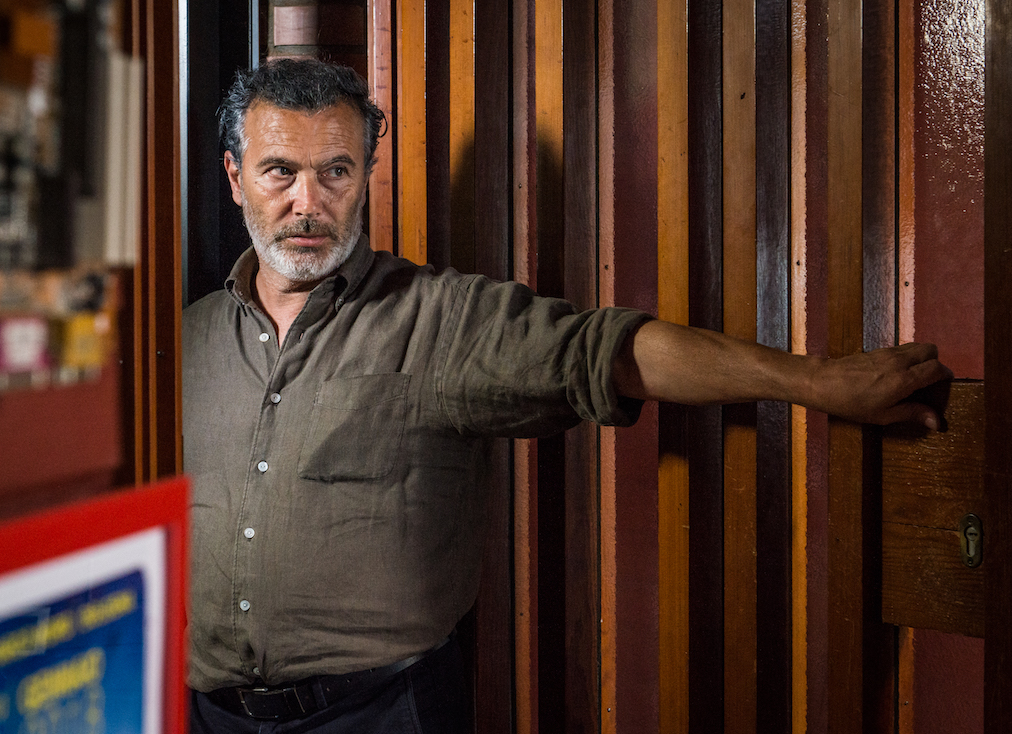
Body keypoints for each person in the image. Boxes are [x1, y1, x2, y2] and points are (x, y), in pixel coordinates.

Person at [182, 58, 951, 733]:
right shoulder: (184, 342)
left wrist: (815, 381)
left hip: (384, 712)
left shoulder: (441, 317)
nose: (308, 202)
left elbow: (610, 351)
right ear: (234, 175)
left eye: (336, 172)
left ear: (365, 176)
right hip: (202, 714)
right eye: (280, 171)